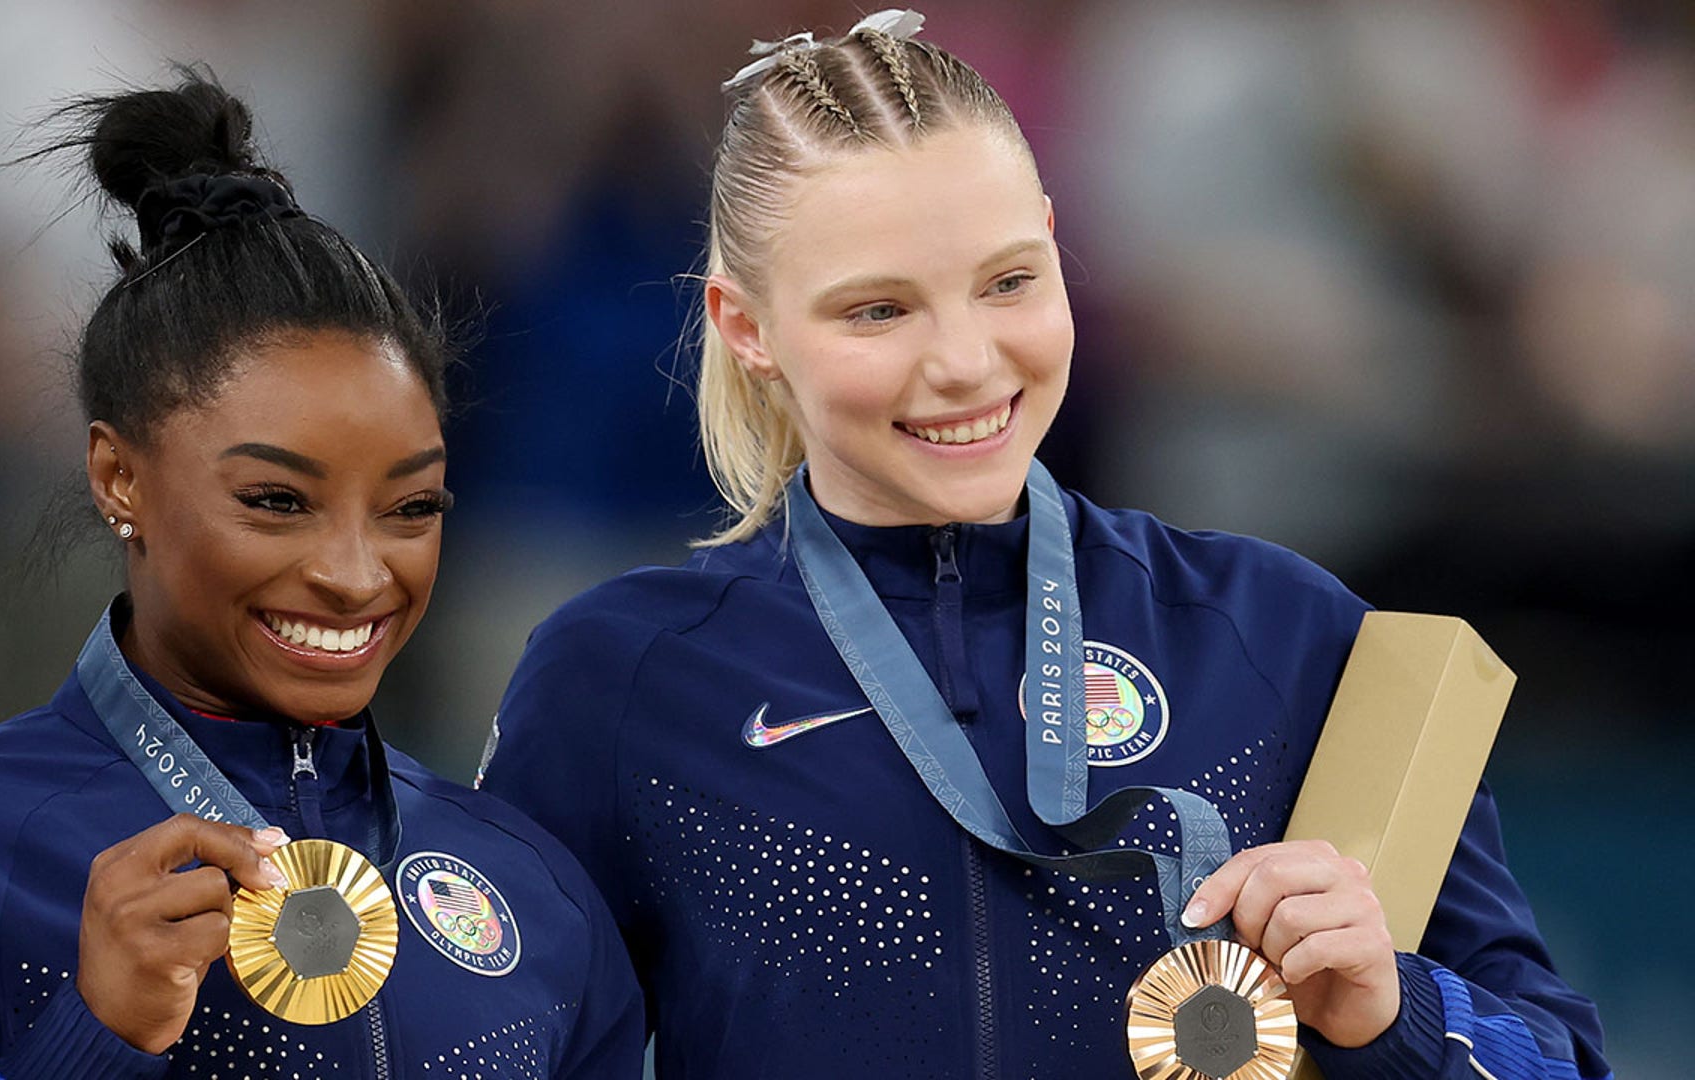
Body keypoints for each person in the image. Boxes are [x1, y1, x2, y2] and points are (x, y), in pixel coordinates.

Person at [479, 11, 1610, 1080]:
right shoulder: (620, 681)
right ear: (747, 327)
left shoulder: (1283, 629)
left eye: (1009, 282)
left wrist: (1389, 1009)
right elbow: (475, 1042)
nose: (966, 360)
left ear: (1059, 251)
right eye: (878, 310)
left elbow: (1561, 1060)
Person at [0, 72, 643, 1079]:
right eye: (278, 502)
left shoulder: (534, 891)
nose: (357, 574)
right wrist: (93, 1039)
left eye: (411, 509)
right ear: (120, 476)